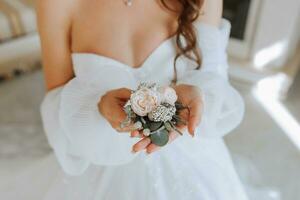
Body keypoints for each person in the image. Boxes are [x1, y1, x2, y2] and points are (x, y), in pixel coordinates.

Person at [33, 0, 248, 199]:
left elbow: (214, 87)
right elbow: (56, 105)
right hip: (99, 165)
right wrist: (96, 107)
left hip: (194, 163)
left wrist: (197, 94)